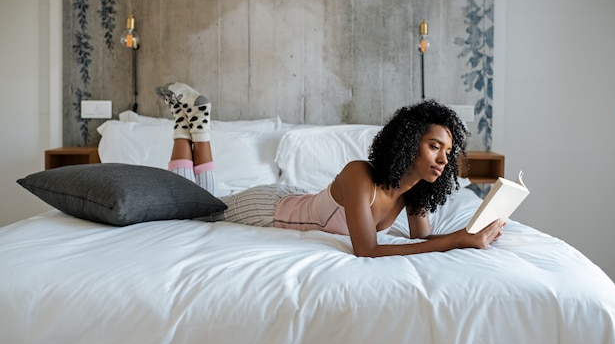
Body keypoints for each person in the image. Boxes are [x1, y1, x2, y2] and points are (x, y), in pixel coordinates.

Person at [156, 82, 504, 257]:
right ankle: (189, 128)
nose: (444, 160)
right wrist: (458, 240)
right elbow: (366, 250)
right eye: (433, 147)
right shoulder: (359, 175)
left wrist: (470, 235)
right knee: (196, 208)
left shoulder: (414, 193)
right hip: (268, 210)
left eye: (448, 151)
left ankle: (196, 125)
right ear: (409, 142)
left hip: (297, 202)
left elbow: (421, 240)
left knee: (204, 202)